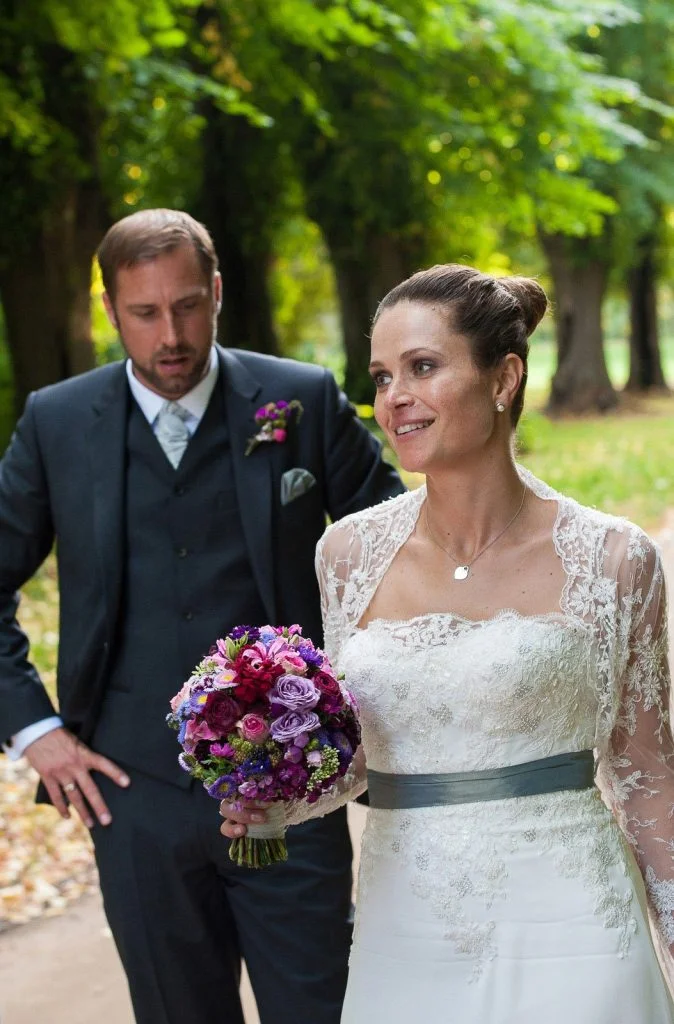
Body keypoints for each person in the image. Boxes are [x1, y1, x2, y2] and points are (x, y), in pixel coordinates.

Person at [221, 263, 674, 1022]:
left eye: (423, 367)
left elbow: (649, 776)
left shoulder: (615, 560)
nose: (394, 396)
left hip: (576, 931)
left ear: (504, 378)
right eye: (381, 374)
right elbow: (364, 752)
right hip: (406, 933)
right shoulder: (347, 556)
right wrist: (275, 799)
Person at [0, 208, 403, 1024]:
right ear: (110, 310)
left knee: (320, 1007)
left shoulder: (301, 399)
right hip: (132, 795)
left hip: (295, 792)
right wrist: (35, 732)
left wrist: (345, 716)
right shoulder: (56, 421)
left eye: (188, 305)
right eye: (145, 313)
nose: (171, 334)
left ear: (217, 292)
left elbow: (401, 552)